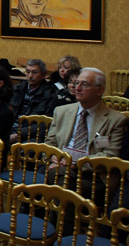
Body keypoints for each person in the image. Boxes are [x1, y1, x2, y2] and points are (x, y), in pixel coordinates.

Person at [46, 68, 128, 204]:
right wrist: (54, 157)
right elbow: (50, 143)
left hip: (94, 175)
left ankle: (51, 221)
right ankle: (65, 224)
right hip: (60, 166)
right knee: (61, 178)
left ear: (99, 91)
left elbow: (110, 154)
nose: (76, 88)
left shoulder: (116, 120)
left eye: (84, 85)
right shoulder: (62, 112)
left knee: (59, 179)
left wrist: (75, 163)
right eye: (75, 83)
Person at [8, 58, 57, 143]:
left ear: (43, 75)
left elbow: (45, 124)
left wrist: (19, 134)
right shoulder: (17, 89)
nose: (30, 76)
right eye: (27, 72)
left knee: (29, 150)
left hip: (32, 135)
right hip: (10, 129)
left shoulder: (51, 95)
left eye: (34, 72)